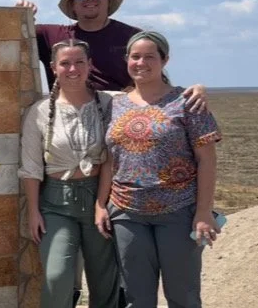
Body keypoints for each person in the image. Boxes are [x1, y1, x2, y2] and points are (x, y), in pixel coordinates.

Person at [95, 31, 221, 308]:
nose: (141, 63)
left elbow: (207, 160)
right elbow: (108, 159)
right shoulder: (114, 104)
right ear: (126, 60)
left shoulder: (187, 102)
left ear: (165, 60)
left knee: (182, 294)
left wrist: (203, 212)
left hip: (178, 212)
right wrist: (100, 204)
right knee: (136, 296)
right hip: (127, 213)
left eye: (150, 56)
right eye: (135, 56)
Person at [19, 38, 120, 308]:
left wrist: (196, 90)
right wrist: (33, 212)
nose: (72, 69)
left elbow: (149, 96)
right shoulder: (39, 112)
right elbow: (31, 167)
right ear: (53, 67)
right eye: (65, 63)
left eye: (79, 62)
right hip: (55, 202)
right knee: (56, 277)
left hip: (99, 196)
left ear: (90, 65)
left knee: (104, 279)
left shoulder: (109, 103)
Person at [16, 0, 209, 113]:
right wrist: (20, 15)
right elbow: (10, 38)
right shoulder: (50, 35)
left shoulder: (132, 36)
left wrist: (190, 92)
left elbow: (155, 77)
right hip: (68, 119)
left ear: (109, 0)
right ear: (73, 5)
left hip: (119, 115)